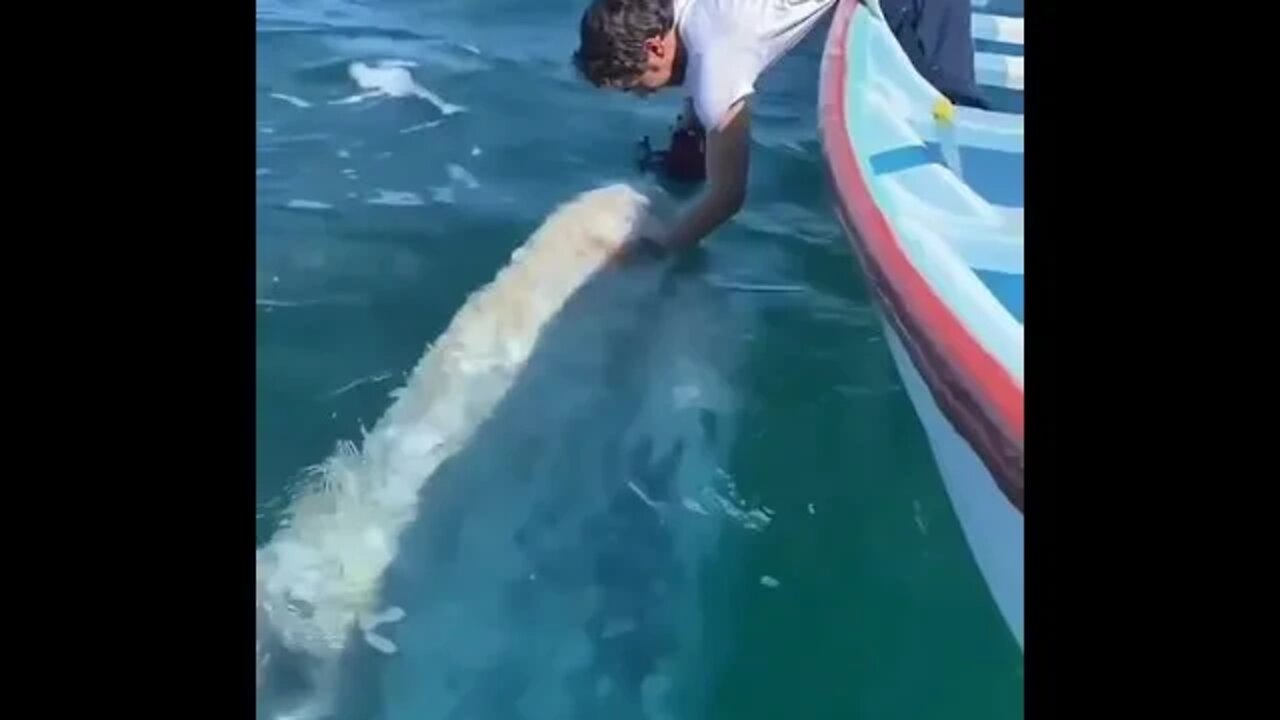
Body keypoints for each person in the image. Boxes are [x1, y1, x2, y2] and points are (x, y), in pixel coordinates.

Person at [572, 0, 985, 255]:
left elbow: (728, 197)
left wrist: (659, 248)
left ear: (655, 46)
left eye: (636, 83)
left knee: (943, 101)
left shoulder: (719, 60)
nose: (641, 96)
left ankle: (970, 170)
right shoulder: (671, 11)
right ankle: (689, 153)